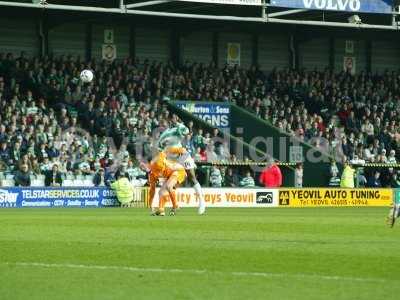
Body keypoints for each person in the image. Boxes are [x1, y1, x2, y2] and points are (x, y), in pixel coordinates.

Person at [158, 122, 205, 214]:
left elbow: (186, 131)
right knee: (170, 183)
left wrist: (179, 125)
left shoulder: (177, 129)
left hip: (183, 155)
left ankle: (201, 201)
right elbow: (160, 149)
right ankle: (173, 206)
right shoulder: (162, 137)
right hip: (173, 160)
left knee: (192, 177)